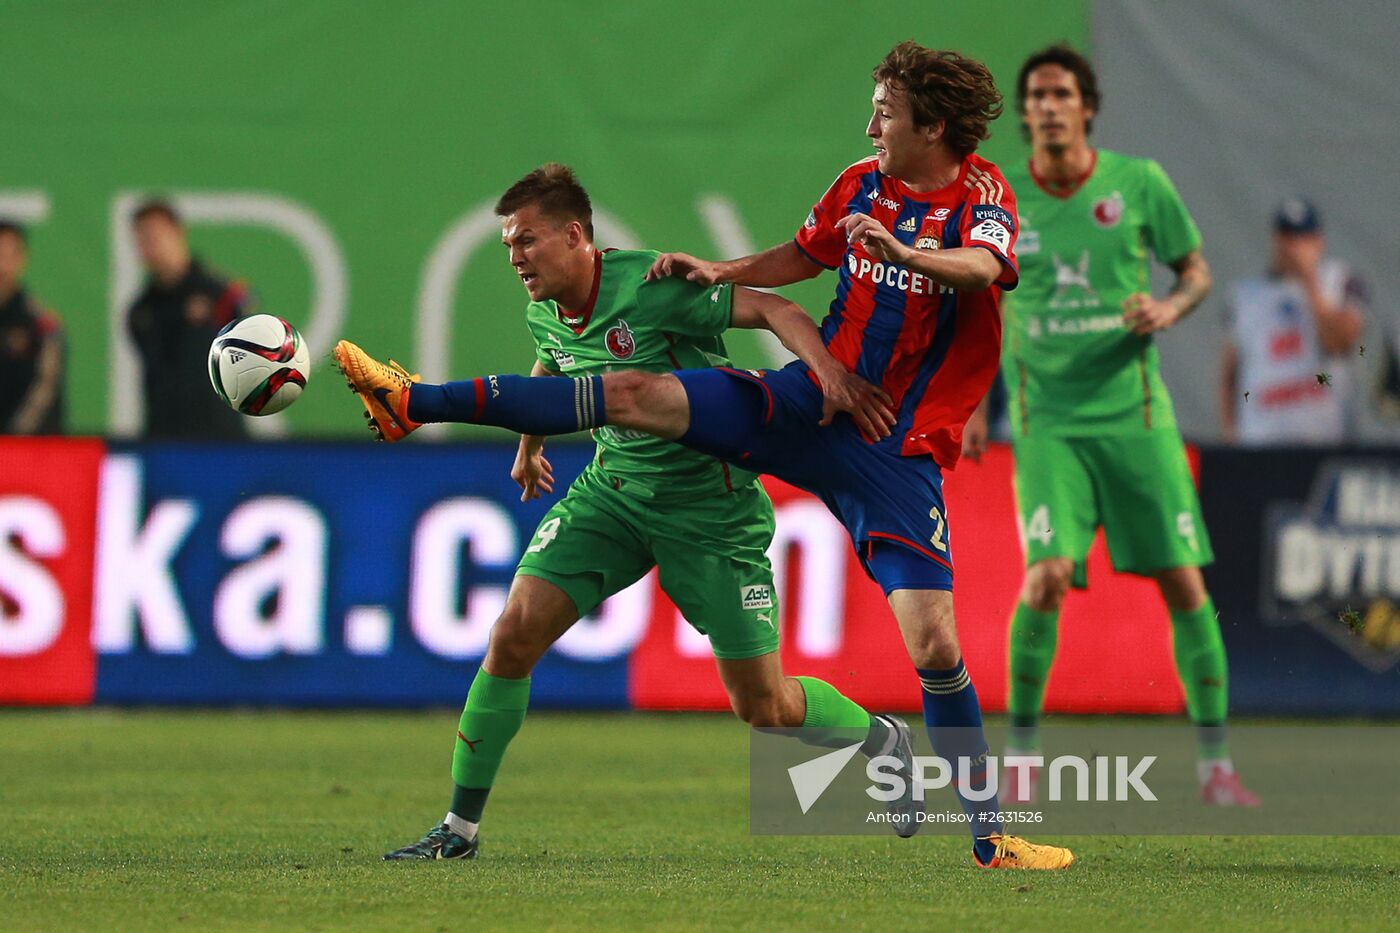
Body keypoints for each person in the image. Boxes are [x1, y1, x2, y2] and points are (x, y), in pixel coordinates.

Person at [338, 42, 1075, 870]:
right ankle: (413, 400)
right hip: (792, 410)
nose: (869, 124)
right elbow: (805, 255)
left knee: (920, 650)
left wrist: (908, 259)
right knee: (629, 402)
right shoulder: (858, 182)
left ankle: (986, 834)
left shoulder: (981, 197)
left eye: (884, 112)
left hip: (887, 441)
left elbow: (985, 267)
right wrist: (726, 273)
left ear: (933, 126)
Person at [372, 164, 919, 860]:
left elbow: (777, 310)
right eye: (508, 246)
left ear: (575, 235)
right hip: (614, 494)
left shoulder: (653, 288)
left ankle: (883, 739)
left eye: (527, 242)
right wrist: (528, 446)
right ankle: (458, 828)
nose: (515, 259)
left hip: (710, 512)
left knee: (765, 707)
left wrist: (829, 373)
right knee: (512, 635)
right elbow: (552, 362)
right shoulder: (544, 304)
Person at [968, 44, 1257, 806]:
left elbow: (1194, 271)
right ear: (1025, 112)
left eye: (1063, 92)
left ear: (1086, 106)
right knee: (1045, 575)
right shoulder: (999, 199)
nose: (1049, 106)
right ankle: (1022, 755)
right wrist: (970, 402)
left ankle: (1217, 766)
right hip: (1046, 422)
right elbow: (980, 303)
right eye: (1037, 95)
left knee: (1183, 580)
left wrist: (1169, 307)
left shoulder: (1140, 184)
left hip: (1135, 414)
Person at [1220, 199, 1367, 445]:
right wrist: (1230, 435)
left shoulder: (1340, 281)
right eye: (1286, 237)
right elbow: (1229, 374)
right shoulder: (1244, 296)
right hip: (1262, 442)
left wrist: (1308, 281)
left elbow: (1339, 343)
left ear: (1319, 242)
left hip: (1323, 441)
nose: (1293, 247)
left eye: (1301, 238)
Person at [126, 199, 251, 439]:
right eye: (140, 239)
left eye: (154, 235)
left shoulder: (221, 296)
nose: (148, 246)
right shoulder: (141, 311)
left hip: (221, 439)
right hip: (164, 440)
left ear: (177, 233)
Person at [0, 221, 64, 435]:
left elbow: (46, 387)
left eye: (7, 256)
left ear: (21, 259)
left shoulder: (40, 323)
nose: (1, 266)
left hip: (30, 450)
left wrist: (13, 437)